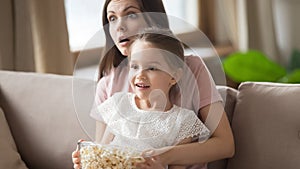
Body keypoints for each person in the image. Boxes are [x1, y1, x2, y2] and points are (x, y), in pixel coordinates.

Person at [72, 0, 234, 169]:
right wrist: (89, 159)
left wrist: (161, 157)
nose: (119, 26)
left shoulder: (191, 69)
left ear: (154, 18)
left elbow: (225, 144)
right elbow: (104, 151)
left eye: (131, 15)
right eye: (112, 18)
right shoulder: (108, 86)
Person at [92, 28, 210, 169]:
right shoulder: (119, 103)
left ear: (174, 77)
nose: (140, 75)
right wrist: (87, 161)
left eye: (152, 68)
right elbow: (101, 153)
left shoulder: (183, 122)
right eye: (134, 66)